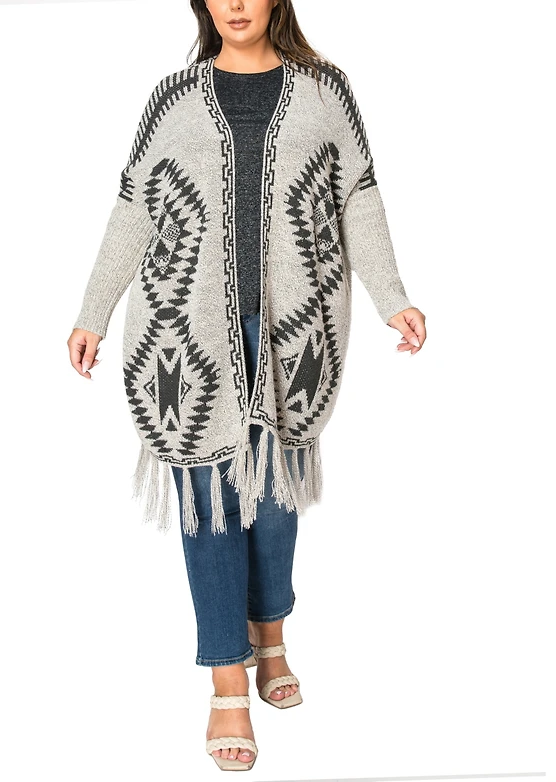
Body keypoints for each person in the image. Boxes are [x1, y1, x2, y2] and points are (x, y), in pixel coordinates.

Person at [67, 0, 426, 771]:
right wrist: (93, 310)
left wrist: (392, 297)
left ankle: (270, 630)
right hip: (184, 335)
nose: (235, 3)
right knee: (209, 498)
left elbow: (358, 197)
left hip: (295, 331)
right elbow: (134, 207)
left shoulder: (327, 90)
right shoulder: (172, 96)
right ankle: (227, 675)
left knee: (274, 498)